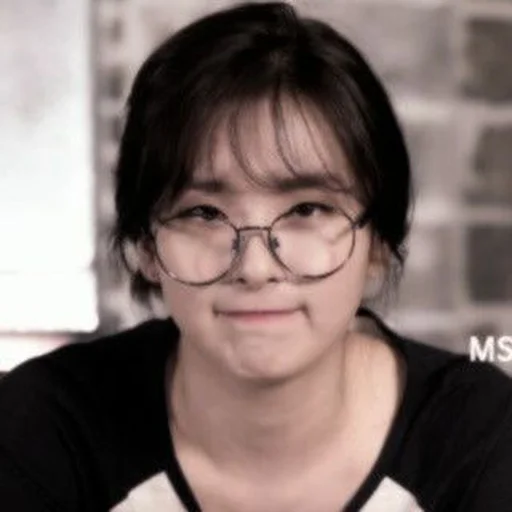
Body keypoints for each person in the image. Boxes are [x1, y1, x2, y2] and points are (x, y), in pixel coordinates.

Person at [1, 2, 511, 511]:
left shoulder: (479, 439)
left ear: (377, 242)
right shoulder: (44, 429)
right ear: (146, 246)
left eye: (307, 209)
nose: (255, 267)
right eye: (203, 213)